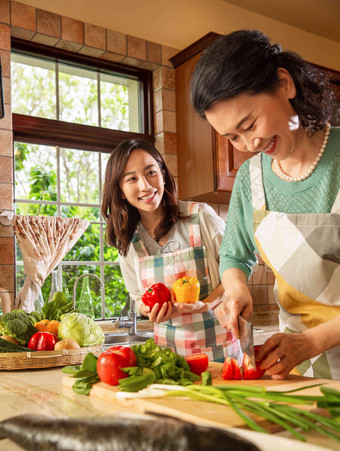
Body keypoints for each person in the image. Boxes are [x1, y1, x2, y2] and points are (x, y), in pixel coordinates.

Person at [191, 29, 340, 380]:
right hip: (299, 368)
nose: (249, 144)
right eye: (232, 137)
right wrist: (237, 289)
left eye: (250, 123)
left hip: (305, 349)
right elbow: (233, 255)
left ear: (284, 84)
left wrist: (309, 342)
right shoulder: (250, 178)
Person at [101, 139, 234, 361]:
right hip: (170, 360)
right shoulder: (129, 242)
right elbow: (137, 298)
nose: (145, 185)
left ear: (163, 173)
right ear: (121, 191)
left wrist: (207, 304)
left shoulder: (201, 216)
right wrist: (149, 309)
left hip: (222, 352)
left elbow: (237, 270)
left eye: (151, 172)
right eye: (132, 179)